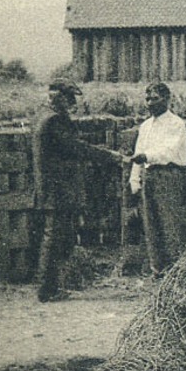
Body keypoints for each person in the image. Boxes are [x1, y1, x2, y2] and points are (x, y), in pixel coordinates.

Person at [31, 81, 125, 302]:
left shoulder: (41, 115)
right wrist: (111, 156)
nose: (73, 103)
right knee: (54, 238)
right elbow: (76, 147)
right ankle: (48, 290)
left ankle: (51, 287)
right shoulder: (54, 120)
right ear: (58, 97)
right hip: (58, 189)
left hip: (50, 187)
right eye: (70, 98)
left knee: (54, 236)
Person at [127, 81, 186, 276]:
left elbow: (170, 150)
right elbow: (138, 152)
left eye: (155, 99)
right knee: (150, 224)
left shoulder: (176, 124)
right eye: (147, 99)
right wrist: (135, 179)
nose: (150, 103)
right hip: (149, 175)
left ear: (167, 99)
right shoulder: (145, 126)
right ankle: (158, 269)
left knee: (168, 223)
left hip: (168, 175)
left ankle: (174, 270)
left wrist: (148, 157)